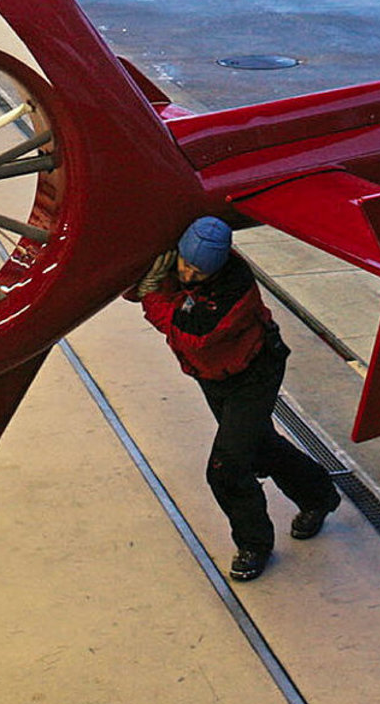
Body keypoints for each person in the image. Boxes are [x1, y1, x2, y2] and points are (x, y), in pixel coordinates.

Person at [127, 216, 341, 581]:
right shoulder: (179, 264)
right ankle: (319, 496)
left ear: (218, 267)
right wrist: (143, 280)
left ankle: (254, 545)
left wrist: (151, 295)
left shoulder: (233, 290)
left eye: (197, 272)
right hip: (213, 375)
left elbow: (190, 334)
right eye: (183, 264)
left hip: (252, 375)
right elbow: (132, 284)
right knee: (259, 447)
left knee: (225, 468)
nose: (188, 275)